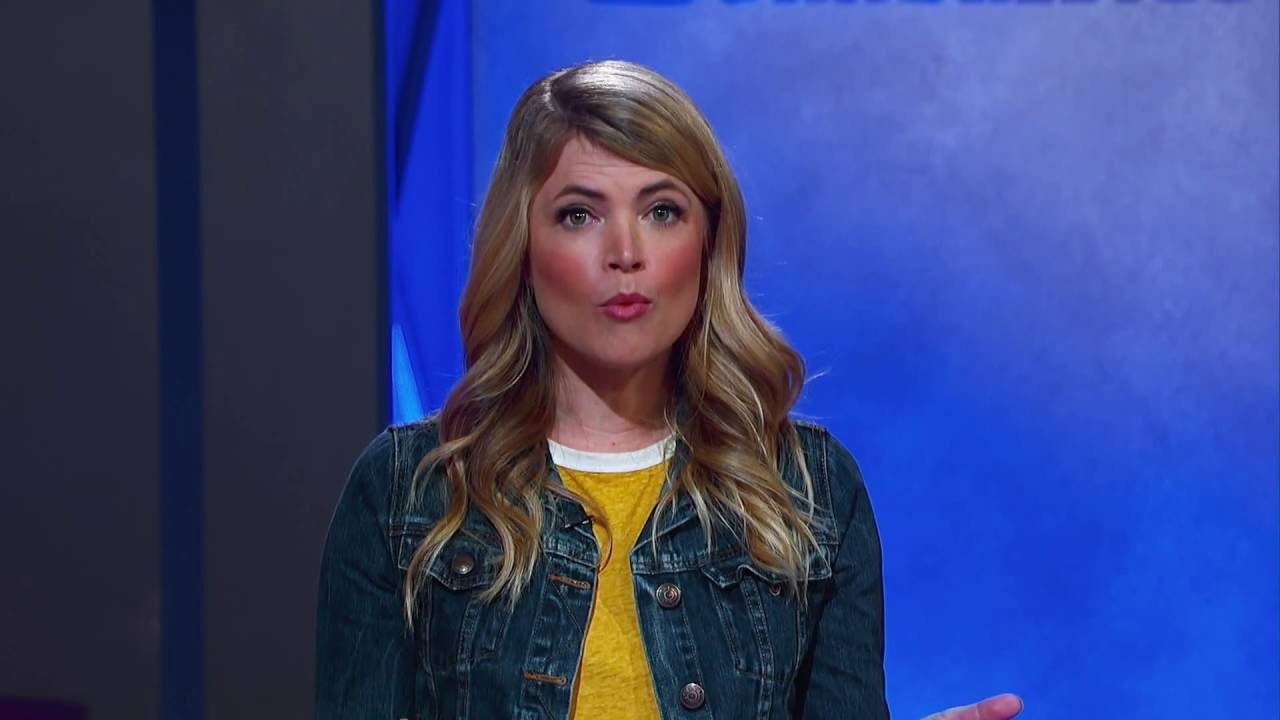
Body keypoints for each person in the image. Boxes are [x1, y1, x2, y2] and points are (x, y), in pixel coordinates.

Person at [315, 59, 1023, 720]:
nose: (625, 253)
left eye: (661, 211)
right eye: (579, 214)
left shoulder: (810, 490)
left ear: (709, 242)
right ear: (522, 246)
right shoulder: (409, 491)